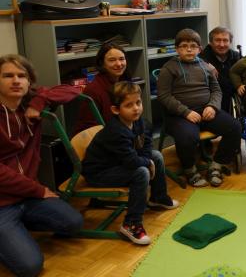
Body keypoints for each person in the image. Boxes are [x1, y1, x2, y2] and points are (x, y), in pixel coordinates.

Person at [0, 54, 83, 276]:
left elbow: (72, 90)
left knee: (73, 223)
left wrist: (38, 102)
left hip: (27, 197)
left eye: (22, 76)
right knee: (30, 267)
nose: (16, 81)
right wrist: (39, 190)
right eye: (8, 76)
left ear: (29, 82)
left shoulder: (28, 106)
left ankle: (17, 229)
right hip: (2, 203)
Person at [82, 81, 179, 245]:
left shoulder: (140, 121)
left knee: (156, 155)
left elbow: (147, 144)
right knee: (142, 172)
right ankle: (131, 224)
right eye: (129, 105)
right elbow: (131, 161)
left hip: (118, 163)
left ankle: (158, 197)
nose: (136, 108)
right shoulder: (115, 131)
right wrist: (146, 162)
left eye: (138, 103)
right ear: (115, 110)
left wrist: (148, 159)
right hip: (99, 173)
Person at [157, 28, 241, 188]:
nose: (189, 49)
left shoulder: (205, 66)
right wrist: (186, 112)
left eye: (193, 46)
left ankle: (217, 165)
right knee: (188, 136)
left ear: (199, 49)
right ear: (176, 49)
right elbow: (164, 96)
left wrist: (212, 106)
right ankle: (190, 169)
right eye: (183, 46)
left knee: (235, 127)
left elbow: (216, 90)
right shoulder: (168, 68)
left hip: (205, 111)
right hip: (179, 115)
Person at [75, 42, 129, 134]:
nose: (119, 64)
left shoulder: (124, 81)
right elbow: (91, 129)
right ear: (102, 63)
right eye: (112, 60)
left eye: (121, 59)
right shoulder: (94, 90)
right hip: (100, 139)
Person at [200, 26, 241, 114]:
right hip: (211, 96)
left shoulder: (236, 56)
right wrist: (206, 64)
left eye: (225, 40)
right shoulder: (201, 58)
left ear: (230, 42)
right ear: (210, 42)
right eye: (218, 40)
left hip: (231, 93)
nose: (222, 45)